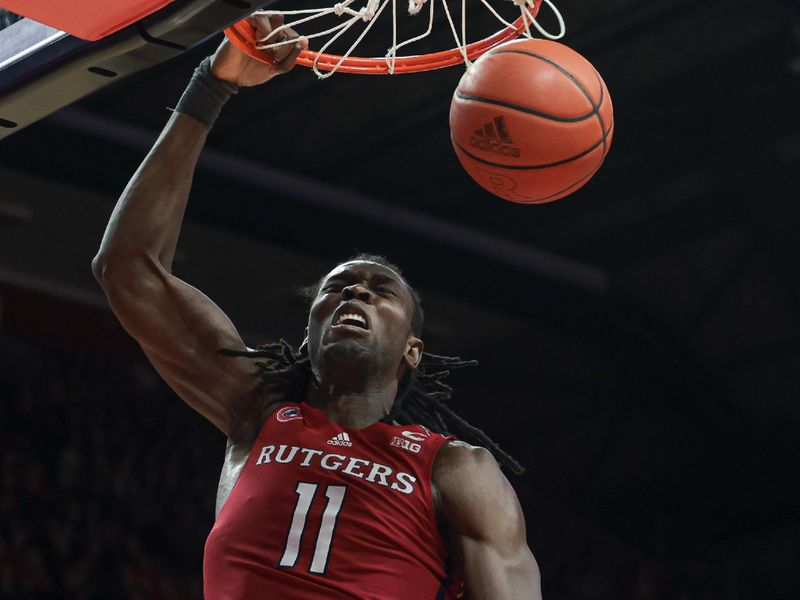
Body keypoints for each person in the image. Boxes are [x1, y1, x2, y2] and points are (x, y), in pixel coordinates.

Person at [92, 14, 541, 600]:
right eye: (337, 288)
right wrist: (212, 84)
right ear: (308, 338)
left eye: (381, 292)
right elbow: (127, 268)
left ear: (413, 349)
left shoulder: (456, 470)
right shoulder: (259, 411)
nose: (355, 292)